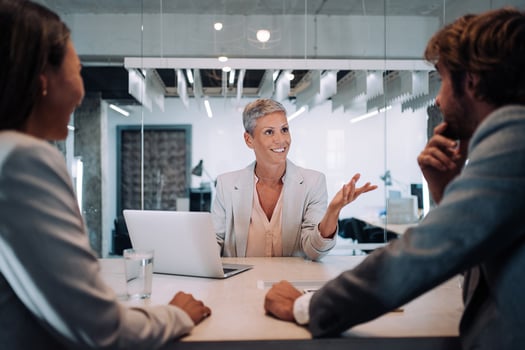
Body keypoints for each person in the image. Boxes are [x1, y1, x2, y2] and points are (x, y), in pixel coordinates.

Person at [264, 7, 525, 350]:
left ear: (471, 82)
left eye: (442, 80)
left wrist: (307, 306)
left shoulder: (515, 139)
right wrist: (447, 191)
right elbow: (481, 248)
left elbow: (420, 255)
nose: (438, 98)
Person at [0, 1, 211, 349]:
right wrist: (175, 313)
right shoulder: (22, 159)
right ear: (43, 81)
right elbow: (100, 330)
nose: (81, 88)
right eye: (77, 69)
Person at [211, 98, 377, 260]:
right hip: (240, 284)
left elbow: (315, 251)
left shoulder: (313, 183)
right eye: (269, 132)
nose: (281, 140)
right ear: (249, 140)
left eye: (284, 129)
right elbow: (214, 243)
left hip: (293, 283)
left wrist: (333, 211)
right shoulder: (226, 185)